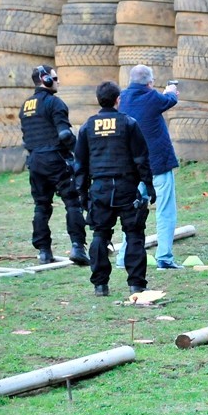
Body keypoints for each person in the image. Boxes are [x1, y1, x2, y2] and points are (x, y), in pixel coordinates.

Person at [74, 81, 155, 296]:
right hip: (126, 187)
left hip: (99, 188)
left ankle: (100, 285)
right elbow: (141, 159)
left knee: (100, 235)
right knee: (134, 234)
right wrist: (149, 185)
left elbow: (80, 165)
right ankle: (136, 284)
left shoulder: (87, 127)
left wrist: (82, 194)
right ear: (118, 100)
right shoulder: (128, 123)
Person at [19, 65, 90, 265]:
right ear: (45, 80)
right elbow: (65, 134)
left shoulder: (25, 106)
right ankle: (78, 247)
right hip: (55, 159)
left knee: (41, 205)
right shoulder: (54, 103)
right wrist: (81, 155)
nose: (58, 81)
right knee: (72, 202)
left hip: (35, 161)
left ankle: (44, 252)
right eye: (55, 78)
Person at [115, 65, 182, 270]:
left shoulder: (123, 98)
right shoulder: (154, 98)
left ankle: (123, 257)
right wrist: (170, 92)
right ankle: (164, 257)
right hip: (157, 164)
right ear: (150, 82)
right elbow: (170, 100)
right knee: (165, 210)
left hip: (133, 167)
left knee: (133, 212)